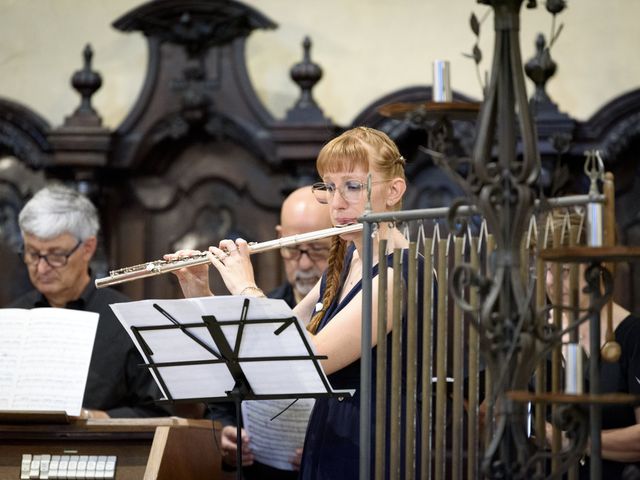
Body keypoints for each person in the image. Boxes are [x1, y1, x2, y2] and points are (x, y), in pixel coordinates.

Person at [171, 126, 421, 479]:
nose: (337, 204)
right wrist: (201, 292)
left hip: (372, 445)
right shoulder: (349, 260)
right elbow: (264, 347)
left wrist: (246, 287)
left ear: (394, 191)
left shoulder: (400, 275)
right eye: (330, 187)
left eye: (352, 186)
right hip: (332, 432)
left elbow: (307, 359)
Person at [9, 184, 168, 418]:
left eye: (55, 255)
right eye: (33, 254)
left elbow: (159, 413)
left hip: (104, 451)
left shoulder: (127, 320)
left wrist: (97, 419)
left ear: (88, 248)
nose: (41, 268)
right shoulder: (12, 317)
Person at [209, 185, 333, 479]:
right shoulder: (251, 314)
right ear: (279, 238)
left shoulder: (353, 310)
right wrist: (228, 431)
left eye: (316, 248)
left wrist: (327, 448)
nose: (304, 263)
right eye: (292, 248)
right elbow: (223, 394)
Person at [543, 211, 640, 478]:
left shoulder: (632, 337)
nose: (550, 281)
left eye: (564, 270)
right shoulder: (536, 333)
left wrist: (573, 442)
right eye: (546, 269)